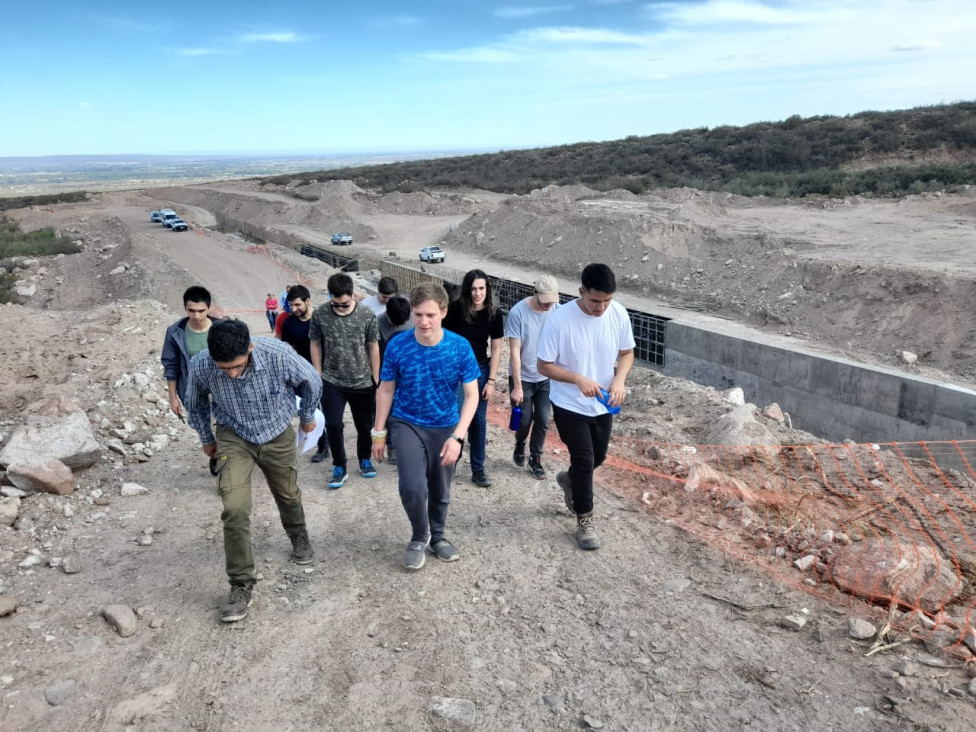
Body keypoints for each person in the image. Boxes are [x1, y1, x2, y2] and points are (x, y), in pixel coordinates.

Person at [186, 320, 322, 623]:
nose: (232, 374)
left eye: (237, 366)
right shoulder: (201, 366)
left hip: (276, 432)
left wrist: (307, 416)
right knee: (234, 507)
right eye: (225, 369)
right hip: (233, 436)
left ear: (250, 348)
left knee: (287, 493)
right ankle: (240, 583)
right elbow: (193, 405)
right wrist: (207, 439)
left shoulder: (278, 354)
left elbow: (311, 380)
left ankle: (299, 537)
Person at [371, 282, 480, 571]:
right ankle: (420, 535)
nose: (423, 322)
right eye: (418, 314)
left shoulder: (460, 347)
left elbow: (472, 395)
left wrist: (458, 437)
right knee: (412, 485)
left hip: (446, 426)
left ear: (443, 312)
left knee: (441, 489)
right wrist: (378, 433)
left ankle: (438, 536)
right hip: (407, 422)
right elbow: (385, 390)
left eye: (430, 315)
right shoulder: (397, 344)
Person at [537, 263, 635, 551]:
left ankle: (569, 480)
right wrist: (577, 379)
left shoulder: (618, 313)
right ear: (581, 292)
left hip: (603, 402)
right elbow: (543, 365)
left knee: (597, 458)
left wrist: (619, 380)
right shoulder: (560, 320)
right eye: (595, 301)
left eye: (607, 301)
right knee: (584, 459)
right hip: (569, 403)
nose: (601, 308)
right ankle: (585, 521)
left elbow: (627, 352)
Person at [309, 273, 381, 489]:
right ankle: (339, 465)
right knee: (332, 424)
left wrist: (376, 378)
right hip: (332, 380)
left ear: (352, 295)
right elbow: (314, 343)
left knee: (364, 425)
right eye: (336, 303)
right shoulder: (320, 314)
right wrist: (318, 374)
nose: (339, 308)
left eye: (344, 304)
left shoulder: (367, 315)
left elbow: (373, 346)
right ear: (330, 296)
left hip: (362, 381)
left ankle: (364, 460)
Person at [444, 269, 504, 487]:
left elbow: (496, 349)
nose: (478, 293)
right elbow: (443, 339)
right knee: (455, 418)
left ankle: (478, 469)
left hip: (479, 370)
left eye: (482, 288)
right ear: (467, 290)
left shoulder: (494, 314)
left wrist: (492, 381)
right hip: (454, 371)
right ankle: (450, 462)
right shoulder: (454, 310)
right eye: (474, 289)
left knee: (478, 422)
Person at [507, 275, 561, 480]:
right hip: (524, 375)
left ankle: (535, 458)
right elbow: (514, 351)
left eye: (552, 300)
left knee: (543, 418)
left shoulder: (556, 310)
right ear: (535, 293)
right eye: (545, 299)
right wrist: (517, 386)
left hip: (546, 375)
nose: (549, 305)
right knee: (524, 420)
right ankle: (520, 443)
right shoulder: (518, 313)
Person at [279, 284, 330, 464]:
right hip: (302, 375)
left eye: (298, 305)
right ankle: (322, 445)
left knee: (330, 410)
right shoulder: (288, 323)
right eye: (291, 305)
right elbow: (286, 350)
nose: (294, 309)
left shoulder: (322, 318)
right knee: (311, 410)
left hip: (328, 371)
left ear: (308, 301)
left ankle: (331, 434)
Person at [161, 285, 223, 419]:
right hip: (194, 395)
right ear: (185, 308)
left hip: (224, 393)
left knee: (226, 434)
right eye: (191, 310)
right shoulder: (175, 332)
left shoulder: (223, 329)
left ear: (209, 308)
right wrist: (173, 398)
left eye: (201, 311)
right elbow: (171, 367)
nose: (196, 315)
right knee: (206, 436)